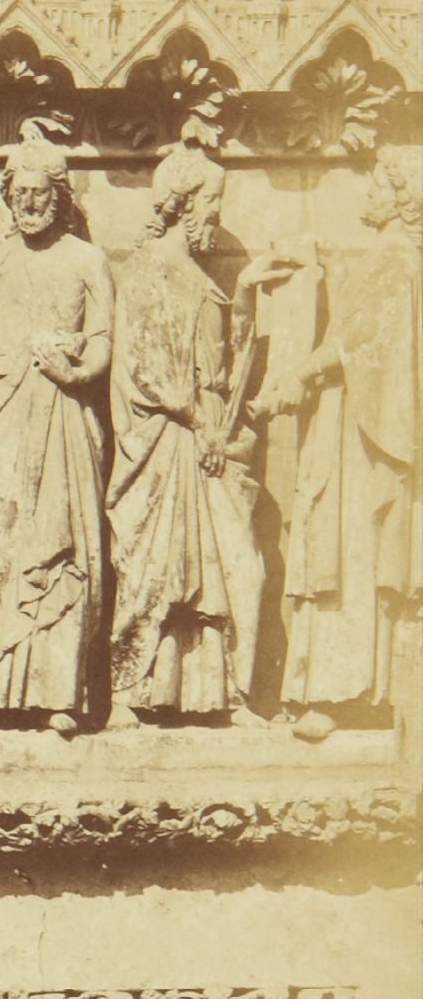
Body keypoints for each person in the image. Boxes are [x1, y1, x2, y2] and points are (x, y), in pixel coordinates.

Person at [107, 141, 286, 725]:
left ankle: (220, 692)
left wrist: (247, 292)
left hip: (208, 435)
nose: (216, 213)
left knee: (231, 566)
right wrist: (196, 421)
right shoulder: (148, 272)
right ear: (184, 202)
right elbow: (143, 365)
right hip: (170, 442)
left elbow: (222, 363)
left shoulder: (198, 275)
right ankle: (134, 693)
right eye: (211, 200)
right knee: (159, 564)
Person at [254, 145, 422, 739]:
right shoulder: (400, 261)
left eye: (380, 186)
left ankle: (339, 692)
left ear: (402, 198)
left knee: (346, 551)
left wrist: (295, 374)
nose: (369, 196)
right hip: (360, 426)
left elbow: (351, 347)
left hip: (359, 436)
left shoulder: (393, 259)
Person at [0, 126, 112, 736]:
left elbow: (104, 340)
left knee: (63, 547)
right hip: (4, 416)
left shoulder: (86, 260)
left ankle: (60, 693)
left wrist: (74, 370)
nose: (29, 204)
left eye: (39, 194)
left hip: (65, 416)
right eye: (18, 194)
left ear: (60, 195)